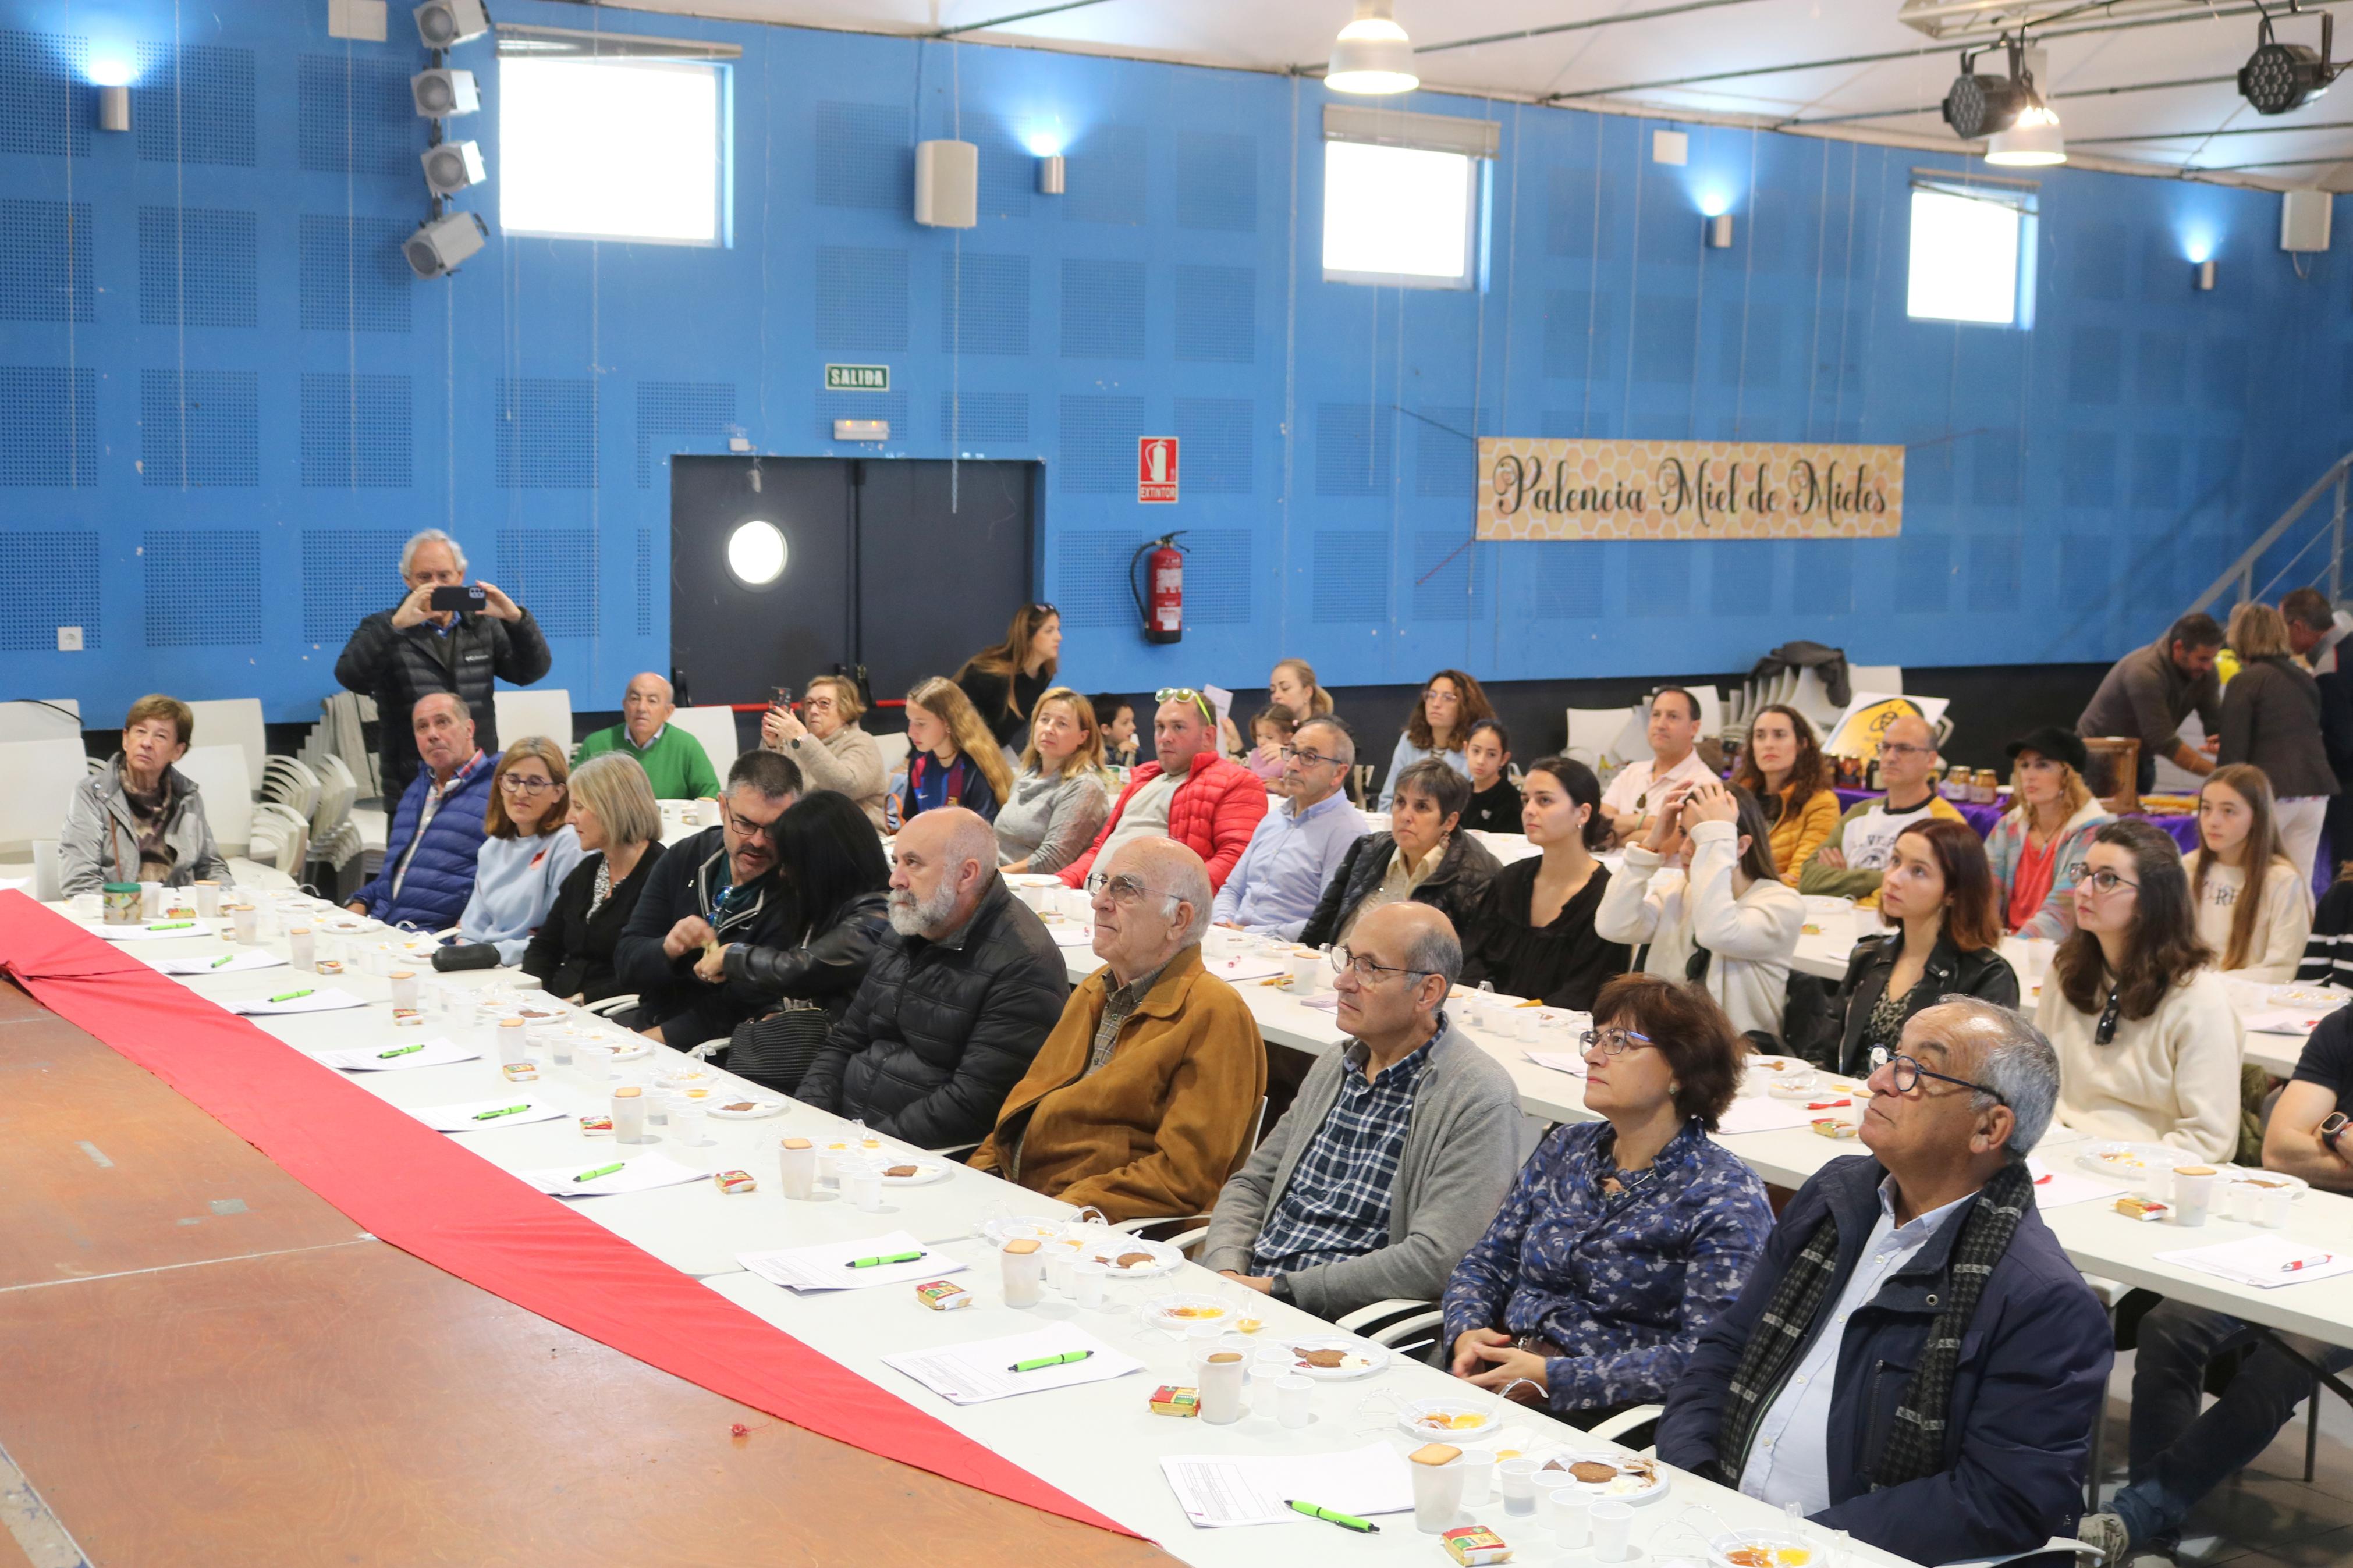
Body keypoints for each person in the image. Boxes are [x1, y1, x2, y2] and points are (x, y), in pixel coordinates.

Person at [1657, 1000, 2111, 1568]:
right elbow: (1724, 1348)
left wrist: (1794, 1547)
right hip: (1713, 1522)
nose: (1876, 1080)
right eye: (1890, 1059)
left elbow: (2000, 1500)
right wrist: (1691, 1477)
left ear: (1988, 1127)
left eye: (1915, 1072)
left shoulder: (2041, 1301)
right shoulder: (1835, 1197)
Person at [2077, 1000, 2353, 1568]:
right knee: (2169, 1324)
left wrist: (2330, 1136)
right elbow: (2281, 1149)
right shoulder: (2344, 1027)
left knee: (2285, 1360)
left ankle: (2136, 1516)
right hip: (2300, 1232)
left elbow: (2305, 1143)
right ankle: (2155, 1524)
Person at [1445, 975, 1771, 1425]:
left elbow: (1706, 1356)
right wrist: (1466, 1331)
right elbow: (1486, 1262)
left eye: (1619, 1041)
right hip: (1492, 1375)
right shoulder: (1568, 1147)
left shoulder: (1724, 1194)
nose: (1593, 1055)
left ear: (1680, 1068)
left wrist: (1555, 1376)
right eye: (1595, 1038)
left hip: (1603, 1419)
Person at [1202, 903, 1521, 1320]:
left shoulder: (1478, 1098)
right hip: (1246, 1296)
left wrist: (1275, 1289)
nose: (1342, 980)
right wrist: (1225, 1268)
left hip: (1341, 1325)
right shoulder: (1337, 1064)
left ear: (1427, 992)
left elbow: (1435, 1258)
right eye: (1348, 958)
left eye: (1369, 968)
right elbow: (1252, 1186)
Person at [970, 839, 1267, 1222]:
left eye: (1125, 888)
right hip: (1016, 1203)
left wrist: (1062, 1211)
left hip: (1094, 1233)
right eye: (1103, 882)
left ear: (1177, 919)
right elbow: (1024, 1109)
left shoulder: (1215, 1013)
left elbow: (1184, 1177)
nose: (1098, 901)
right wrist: (973, 1180)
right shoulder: (1098, 987)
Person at [798, 808, 1067, 1150]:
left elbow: (974, 1103)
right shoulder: (912, 923)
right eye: (896, 861)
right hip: (847, 1138)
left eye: (913, 863)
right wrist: (810, 1116)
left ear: (966, 874)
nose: (896, 879)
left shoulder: (1024, 963)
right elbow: (845, 1041)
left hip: (921, 1162)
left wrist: (864, 1149)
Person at [2033, 819, 2242, 1161]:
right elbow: (2038, 1092)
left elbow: (2210, 1140)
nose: (2084, 890)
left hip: (2150, 1177)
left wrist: (2109, 1164)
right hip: (2061, 1159)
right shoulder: (2065, 971)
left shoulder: (2199, 998)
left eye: (2107, 879)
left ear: (2150, 900)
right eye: (2084, 873)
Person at [699, 792, 892, 1096]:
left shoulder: (877, 918)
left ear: (824, 862)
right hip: (813, 1059)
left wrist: (731, 955)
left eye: (791, 862)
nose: (785, 872)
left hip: (842, 1072)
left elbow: (803, 969)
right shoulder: (829, 908)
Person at [333, 528, 550, 797]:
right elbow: (351, 677)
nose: (435, 585)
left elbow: (531, 672)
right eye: (425, 577)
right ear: (407, 580)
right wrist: (395, 626)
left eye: (444, 576)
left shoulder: (483, 626)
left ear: (460, 576)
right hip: (412, 784)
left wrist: (516, 620)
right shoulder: (383, 627)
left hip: (477, 778)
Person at [613, 749, 804, 1049]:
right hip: (649, 1022)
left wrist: (644, 1044)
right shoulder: (686, 856)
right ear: (723, 806)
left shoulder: (796, 889)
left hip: (721, 1051)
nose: (757, 841)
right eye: (745, 823)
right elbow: (626, 962)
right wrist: (668, 948)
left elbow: (739, 1007)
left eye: (774, 829)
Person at [1598, 779, 1804, 1043]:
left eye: (1700, 838)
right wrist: (1651, 845)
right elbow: (1613, 926)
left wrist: (1717, 838)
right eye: (1683, 833)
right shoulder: (1678, 891)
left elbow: (1716, 931)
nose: (1685, 849)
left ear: (1740, 846)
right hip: (1668, 1048)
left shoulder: (1781, 903)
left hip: (1738, 1057)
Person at [1824, 819, 2018, 1078]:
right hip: (1847, 1105)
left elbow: (1977, 1082)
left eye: (1918, 871)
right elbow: (1823, 1054)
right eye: (1895, 861)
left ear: (1953, 893)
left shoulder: (1988, 977)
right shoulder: (1868, 956)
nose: (1893, 879)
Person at [1461, 756, 1631, 1010]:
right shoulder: (1510, 880)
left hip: (1561, 1038)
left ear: (1583, 813)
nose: (1529, 810)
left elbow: (1584, 993)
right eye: (1525, 800)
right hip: (1486, 1020)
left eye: (1544, 800)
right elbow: (1474, 960)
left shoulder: (1606, 899)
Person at [1060, 688, 1267, 893]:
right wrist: (1059, 884)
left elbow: (1234, 860)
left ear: (1208, 735)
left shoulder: (1238, 782)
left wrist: (1165, 900)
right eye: (1160, 727)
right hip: (1091, 902)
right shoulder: (1142, 780)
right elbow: (1098, 850)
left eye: (1178, 727)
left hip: (1155, 913)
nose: (1165, 737)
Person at [1301, 759, 1502, 951]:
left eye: (1422, 807)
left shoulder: (1476, 876)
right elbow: (1321, 926)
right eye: (1400, 802)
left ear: (1449, 822)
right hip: (1338, 968)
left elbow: (1470, 964)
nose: (1406, 816)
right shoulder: (1369, 849)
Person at [521, 752, 666, 1004]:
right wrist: (531, 998)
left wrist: (580, 1001)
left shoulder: (661, 874)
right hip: (561, 1008)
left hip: (613, 1016)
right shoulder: (587, 870)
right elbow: (545, 946)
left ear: (613, 809)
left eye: (579, 807)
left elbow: (645, 972)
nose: (569, 818)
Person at [347, 693, 495, 932]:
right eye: (422, 727)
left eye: (443, 722)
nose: (433, 734)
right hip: (381, 930)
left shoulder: (499, 792)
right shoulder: (417, 790)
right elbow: (392, 875)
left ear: (469, 729)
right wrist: (359, 902)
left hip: (435, 942)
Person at [59, 694, 233, 895]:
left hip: (178, 914)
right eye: (140, 732)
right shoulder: (92, 794)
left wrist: (227, 899)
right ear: (126, 739)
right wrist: (134, 909)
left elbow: (211, 868)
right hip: (118, 914)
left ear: (177, 751)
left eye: (160, 736)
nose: (147, 743)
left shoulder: (188, 797)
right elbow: (79, 883)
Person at [1211, 717, 1363, 940]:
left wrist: (1248, 933)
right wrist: (1222, 923)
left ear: (1338, 774)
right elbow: (1232, 889)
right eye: (1291, 753)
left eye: (1309, 757)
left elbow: (1327, 921)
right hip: (1233, 940)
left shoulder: (1349, 832)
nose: (1291, 765)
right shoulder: (1273, 820)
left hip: (1286, 957)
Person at [2219, 600, 2336, 886]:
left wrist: (2218, 800)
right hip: (2314, 791)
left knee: (2249, 881)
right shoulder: (2306, 678)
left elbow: (2233, 757)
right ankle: (2296, 932)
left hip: (2272, 793)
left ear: (2240, 636)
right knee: (2298, 883)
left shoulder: (2245, 682)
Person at [1798, 713, 1965, 907]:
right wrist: (1884, 880)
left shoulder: (1946, 823)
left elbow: (1929, 897)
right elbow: (1809, 879)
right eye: (1885, 748)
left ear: (1930, 760)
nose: (1890, 758)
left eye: (1904, 749)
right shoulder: (1858, 813)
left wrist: (1844, 884)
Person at [455, 737, 584, 964]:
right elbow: (471, 930)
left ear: (558, 792)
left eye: (535, 783)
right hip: (483, 966)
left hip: (531, 968)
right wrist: (461, 958)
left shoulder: (568, 843)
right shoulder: (492, 848)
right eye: (513, 780)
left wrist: (492, 955)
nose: (521, 793)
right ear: (500, 786)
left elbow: (559, 938)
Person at [1983, 726, 2114, 940]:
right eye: (2024, 766)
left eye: (2043, 766)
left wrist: (2013, 950)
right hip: (2005, 947)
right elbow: (1985, 891)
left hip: (2058, 951)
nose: (2029, 776)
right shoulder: (2009, 828)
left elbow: (2063, 909)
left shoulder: (2093, 832)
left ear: (2068, 775)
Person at [2188, 763, 2312, 982]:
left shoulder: (2281, 880)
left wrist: (2212, 985)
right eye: (2206, 808)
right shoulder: (2187, 867)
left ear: (2256, 818)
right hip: (2191, 998)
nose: (2213, 821)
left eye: (2229, 811)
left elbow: (2284, 968)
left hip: (2251, 1003)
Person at [2076, 611, 2223, 793]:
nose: (2208, 667)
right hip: (2097, 759)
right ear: (2179, 648)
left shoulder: (2206, 673)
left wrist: (2224, 748)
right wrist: (2220, 773)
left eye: (2212, 659)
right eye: (2203, 659)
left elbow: (2215, 722)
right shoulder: (2144, 672)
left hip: (2140, 758)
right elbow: (2163, 741)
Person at [995, 687, 1110, 874]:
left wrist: (989, 881)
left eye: (1062, 724)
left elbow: (1052, 861)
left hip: (1031, 890)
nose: (1049, 729)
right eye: (1044, 720)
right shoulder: (1028, 775)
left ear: (1083, 736)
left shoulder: (1084, 787)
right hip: (999, 878)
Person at [761, 674, 888, 830]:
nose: (813, 710)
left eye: (823, 704)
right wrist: (772, 746)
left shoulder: (861, 742)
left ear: (845, 708)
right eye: (809, 703)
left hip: (852, 837)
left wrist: (803, 740)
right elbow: (767, 789)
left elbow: (846, 788)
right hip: (803, 835)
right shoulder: (797, 742)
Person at [1728, 703, 1839, 880]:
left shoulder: (1821, 802)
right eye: (1760, 736)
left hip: (1781, 901)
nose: (1769, 745)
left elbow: (1801, 876)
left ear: (1802, 744)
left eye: (1779, 735)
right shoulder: (1737, 794)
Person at [570, 672, 719, 801]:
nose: (641, 708)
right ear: (624, 705)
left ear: (669, 711)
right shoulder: (596, 744)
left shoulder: (687, 745)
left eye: (652, 701)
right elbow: (571, 794)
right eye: (635, 699)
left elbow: (710, 795)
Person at [1600, 688, 1716, 845]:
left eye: (1673, 717)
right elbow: (1596, 828)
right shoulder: (1631, 772)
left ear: (1694, 728)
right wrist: (1643, 821)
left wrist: (1617, 834)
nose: (1661, 724)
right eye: (1656, 715)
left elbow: (1665, 845)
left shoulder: (1705, 785)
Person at [898, 677, 1012, 825]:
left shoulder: (976, 769)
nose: (911, 732)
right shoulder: (919, 763)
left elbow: (982, 834)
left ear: (948, 723)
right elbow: (911, 823)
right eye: (910, 721)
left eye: (920, 724)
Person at [1378, 669, 1492, 810]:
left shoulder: (1477, 748)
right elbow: (1387, 802)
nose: (1436, 704)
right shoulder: (1409, 741)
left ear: (1466, 706)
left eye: (1448, 697)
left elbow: (1476, 809)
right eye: (1431, 696)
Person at [954, 602, 1060, 753]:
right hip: (964, 752)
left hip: (995, 750)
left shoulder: (1043, 675)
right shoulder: (989, 674)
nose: (1059, 637)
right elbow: (949, 714)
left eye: (1058, 629)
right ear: (1028, 637)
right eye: (1049, 631)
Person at [1461, 719, 1521, 833]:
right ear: (1466, 749)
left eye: (1491, 754)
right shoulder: (1459, 794)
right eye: (1476, 751)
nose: (1481, 761)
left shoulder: (1511, 802)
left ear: (1503, 759)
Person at [2281, 585, 2350, 675]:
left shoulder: (2329, 672)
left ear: (2298, 628)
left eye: (2282, 626)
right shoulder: (2345, 648)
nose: (2281, 633)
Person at [1270, 657, 1336, 722]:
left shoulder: (1331, 730)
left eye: (1285, 688)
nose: (1276, 696)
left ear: (1307, 693)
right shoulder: (1267, 729)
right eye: (1273, 690)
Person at [1244, 703, 1296, 783]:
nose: (1262, 742)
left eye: (1269, 737)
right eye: (1259, 735)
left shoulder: (1290, 758)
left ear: (1288, 738)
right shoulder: (1256, 753)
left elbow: (1260, 777)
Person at [1092, 693, 1140, 770]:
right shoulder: (1091, 755)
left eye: (1132, 721)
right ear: (1106, 729)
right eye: (1125, 723)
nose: (1134, 727)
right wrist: (1118, 753)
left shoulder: (1133, 752)